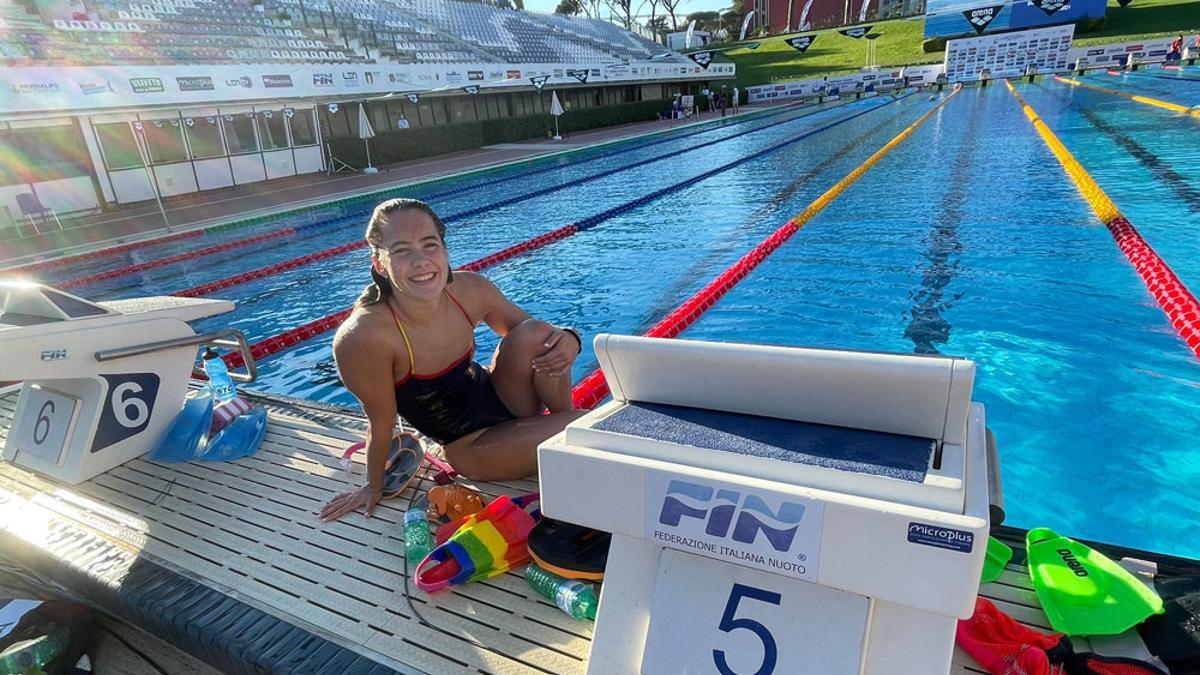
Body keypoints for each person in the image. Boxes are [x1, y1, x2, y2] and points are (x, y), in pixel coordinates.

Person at [320, 198, 586, 522]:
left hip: (504, 398)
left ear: (445, 252)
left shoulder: (469, 290)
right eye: (402, 250)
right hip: (471, 445)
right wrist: (374, 486)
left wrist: (571, 338)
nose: (420, 261)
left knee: (537, 333)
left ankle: (566, 431)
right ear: (379, 264)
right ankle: (570, 433)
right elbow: (381, 423)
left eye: (429, 245)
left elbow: (544, 341)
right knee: (585, 427)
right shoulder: (364, 337)